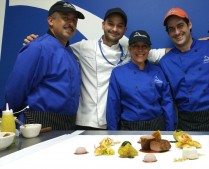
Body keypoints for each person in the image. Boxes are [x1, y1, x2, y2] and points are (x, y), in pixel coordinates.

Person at [23, 8, 167, 130]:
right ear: (103, 25)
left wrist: (183, 47)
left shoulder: (132, 51)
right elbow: (57, 48)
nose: (114, 29)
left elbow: (157, 53)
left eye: (120, 26)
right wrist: (36, 42)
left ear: (125, 29)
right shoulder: (84, 46)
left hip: (112, 121)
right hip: (84, 120)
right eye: (111, 24)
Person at [4, 1, 85, 130]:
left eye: (74, 20)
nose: (71, 24)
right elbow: (16, 89)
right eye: (65, 18)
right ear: (51, 21)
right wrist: (9, 120)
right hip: (39, 121)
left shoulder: (71, 53)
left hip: (67, 123)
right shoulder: (37, 47)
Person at [158, 8, 209, 131]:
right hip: (186, 122)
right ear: (168, 33)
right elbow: (167, 99)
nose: (177, 32)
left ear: (189, 25)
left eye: (180, 26)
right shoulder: (165, 62)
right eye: (171, 29)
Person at [106, 30, 176, 131]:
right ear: (129, 49)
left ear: (149, 49)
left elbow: (167, 103)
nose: (140, 50)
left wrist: (170, 131)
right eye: (135, 46)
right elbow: (113, 107)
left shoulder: (158, 71)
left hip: (157, 127)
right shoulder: (118, 73)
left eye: (144, 46)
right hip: (129, 128)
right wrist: (112, 134)